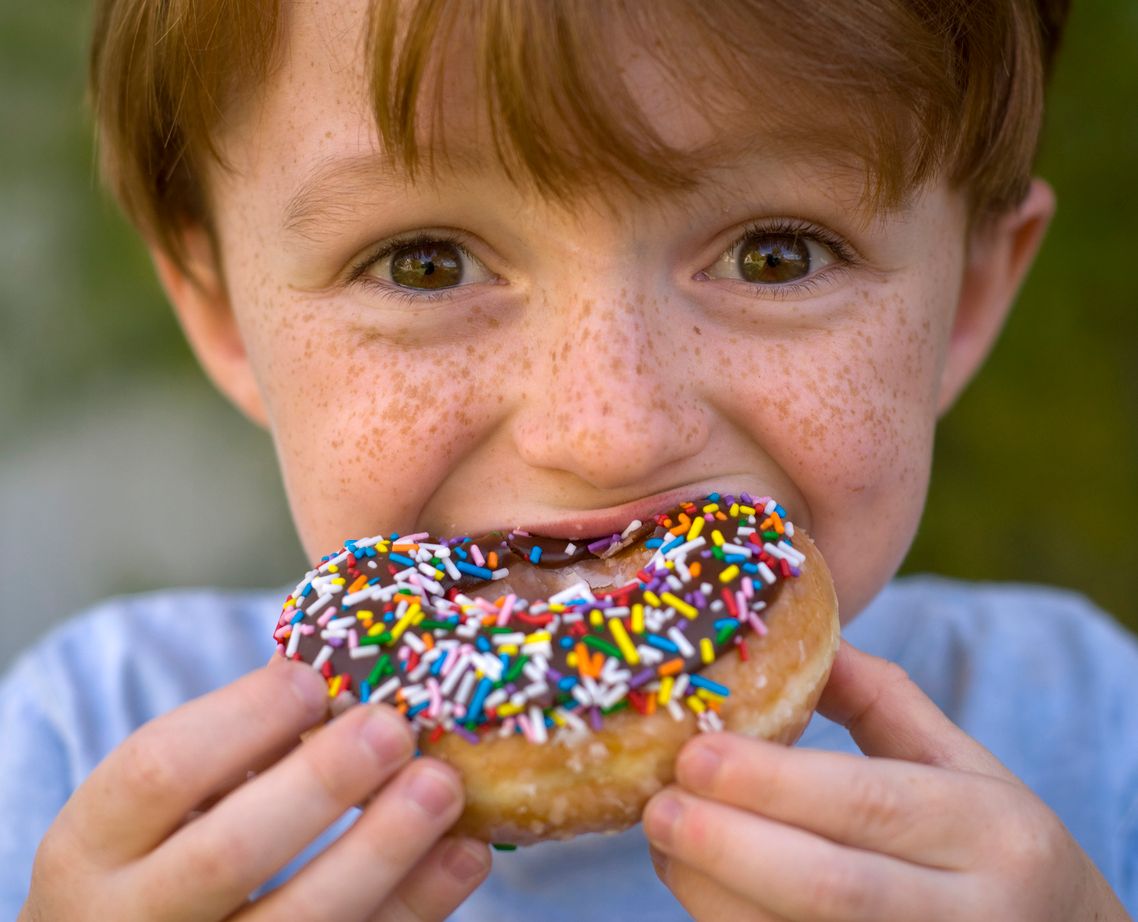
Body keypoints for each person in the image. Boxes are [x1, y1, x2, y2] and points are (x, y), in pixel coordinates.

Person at [4, 0, 1136, 918]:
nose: (609, 431)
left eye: (776, 255)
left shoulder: (1087, 734)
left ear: (966, 297)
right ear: (223, 316)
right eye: (424, 264)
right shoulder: (86, 751)